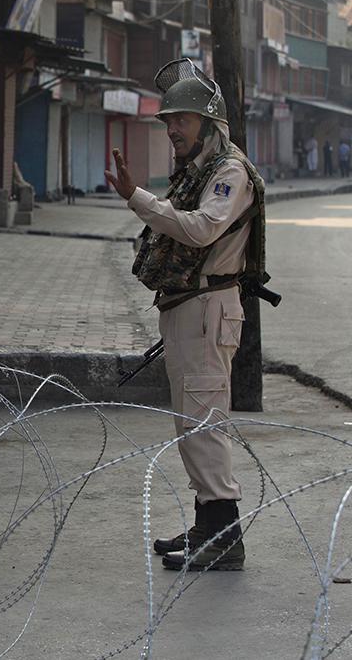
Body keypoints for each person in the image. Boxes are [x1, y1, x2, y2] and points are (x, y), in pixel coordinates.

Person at [105, 59, 267, 572]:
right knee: (190, 425)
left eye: (182, 120)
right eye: (168, 120)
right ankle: (208, 523)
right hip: (185, 309)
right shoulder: (198, 171)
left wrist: (138, 198)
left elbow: (200, 230)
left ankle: (225, 538)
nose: (172, 129)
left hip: (206, 310)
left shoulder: (229, 172)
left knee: (204, 425)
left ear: (209, 123)